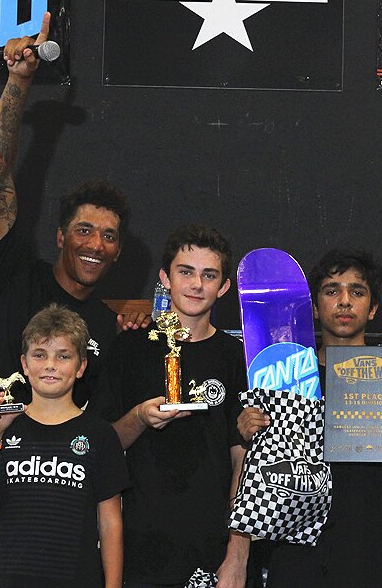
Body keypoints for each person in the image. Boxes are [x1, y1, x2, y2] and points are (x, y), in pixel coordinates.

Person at [0, 15, 145, 588]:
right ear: (60, 237)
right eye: (84, 230)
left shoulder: (106, 328)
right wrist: (19, 82)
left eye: (109, 237)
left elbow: (102, 434)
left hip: (46, 520)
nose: (96, 244)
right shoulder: (13, 272)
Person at [239, 249, 382, 588]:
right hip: (299, 554)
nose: (344, 301)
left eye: (357, 291)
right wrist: (250, 434)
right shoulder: (284, 378)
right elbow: (263, 474)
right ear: (313, 306)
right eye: (332, 290)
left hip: (374, 549)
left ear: (373, 308)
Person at [90, 225, 249, 587]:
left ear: (224, 287)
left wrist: (237, 553)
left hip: (213, 550)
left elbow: (243, 459)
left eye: (209, 275)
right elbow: (100, 444)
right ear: (165, 278)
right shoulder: (130, 348)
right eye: (186, 272)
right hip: (139, 549)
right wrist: (139, 418)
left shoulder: (235, 357)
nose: (197, 285)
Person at [0, 305, 129, 588]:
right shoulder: (0, 426)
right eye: (40, 355)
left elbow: (110, 522)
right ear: (24, 364)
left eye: (63, 356)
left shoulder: (100, 434)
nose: (50, 365)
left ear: (81, 366)